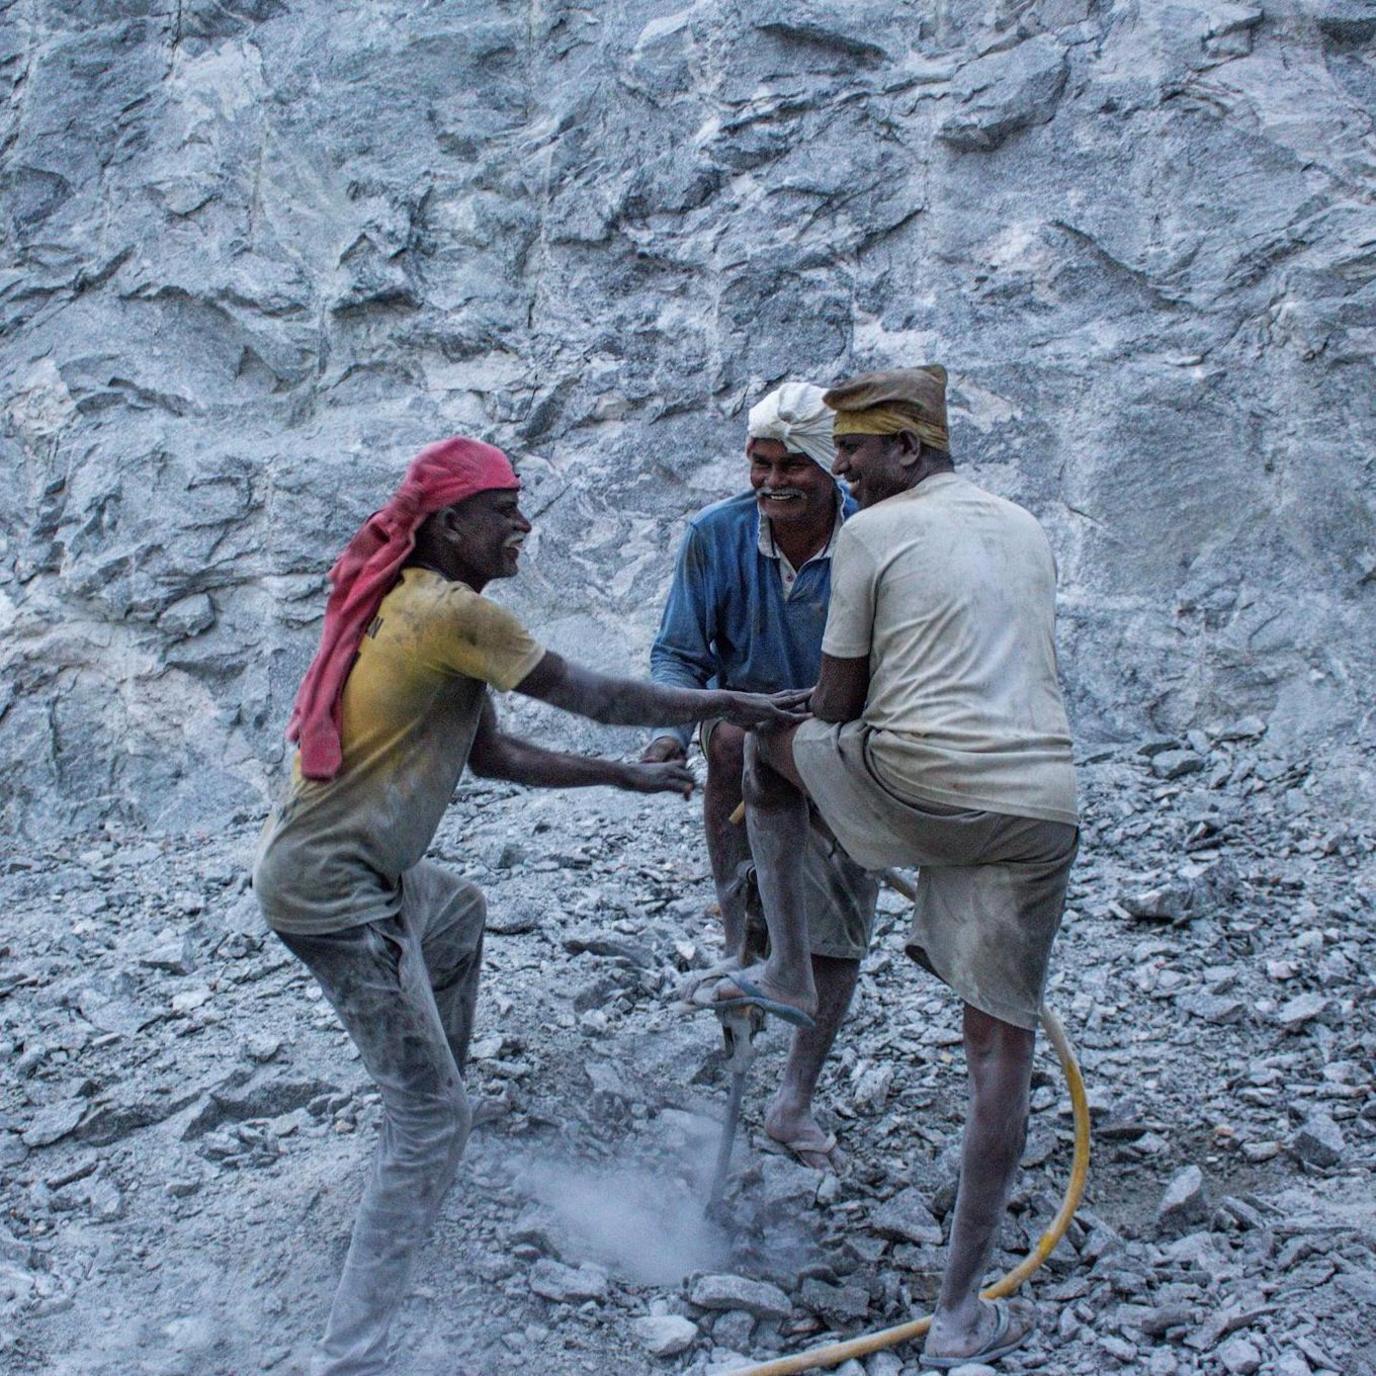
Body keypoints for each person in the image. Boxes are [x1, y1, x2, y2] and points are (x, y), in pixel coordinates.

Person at [253, 437, 808, 1376]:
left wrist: (620, 784)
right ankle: (354, 1351)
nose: (522, 526)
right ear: (447, 526)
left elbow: (493, 757)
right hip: (335, 893)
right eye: (504, 511)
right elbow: (594, 694)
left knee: (458, 915)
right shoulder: (451, 611)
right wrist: (730, 704)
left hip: (343, 871)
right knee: (428, 1117)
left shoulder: (420, 608)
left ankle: (430, 1121)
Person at [710, 367, 1079, 1369]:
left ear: (907, 449)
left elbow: (832, 708)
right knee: (997, 1055)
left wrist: (774, 716)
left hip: (917, 784)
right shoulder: (1025, 527)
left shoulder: (869, 534)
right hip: (1039, 808)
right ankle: (958, 1310)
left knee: (761, 750)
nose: (842, 471)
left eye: (856, 452)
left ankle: (787, 963)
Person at [642, 381, 878, 1169]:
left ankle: (793, 1100)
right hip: (742, 759)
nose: (773, 481)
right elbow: (681, 651)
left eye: (792, 466)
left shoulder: (875, 540)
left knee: (837, 930)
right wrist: (669, 733)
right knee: (746, 925)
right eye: (759, 463)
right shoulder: (716, 536)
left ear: (830, 468)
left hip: (845, 751)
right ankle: (743, 1008)